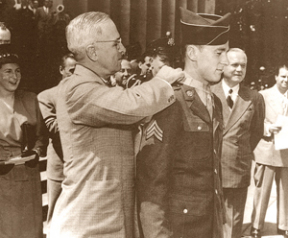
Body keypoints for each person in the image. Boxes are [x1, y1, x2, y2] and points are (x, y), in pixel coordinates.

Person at [50, 11, 184, 238]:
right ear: (92, 51)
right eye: (116, 43)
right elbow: (132, 106)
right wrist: (163, 81)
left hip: (109, 221)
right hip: (86, 225)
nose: (123, 50)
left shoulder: (98, 86)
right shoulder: (77, 89)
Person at [136, 7, 230, 238]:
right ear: (192, 53)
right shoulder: (171, 102)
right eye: (219, 53)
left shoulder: (214, 103)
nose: (225, 62)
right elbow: (152, 185)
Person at [211, 48, 265, 238]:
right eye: (235, 64)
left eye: (243, 65)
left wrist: (237, 151)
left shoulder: (255, 98)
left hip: (236, 167)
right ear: (223, 66)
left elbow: (256, 132)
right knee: (209, 218)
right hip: (209, 166)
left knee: (233, 221)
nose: (239, 69)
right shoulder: (209, 92)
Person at [0, 47, 48, 238]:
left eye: (17, 71)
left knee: (29, 230)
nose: (14, 77)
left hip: (28, 176)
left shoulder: (30, 99)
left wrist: (36, 151)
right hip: (3, 176)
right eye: (8, 71)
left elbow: (41, 136)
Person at [37, 53, 76, 238]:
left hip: (82, 164)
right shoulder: (46, 96)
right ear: (61, 70)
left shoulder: (86, 93)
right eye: (71, 71)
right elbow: (52, 127)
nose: (75, 76)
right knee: (55, 212)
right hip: (60, 165)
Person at [250, 64, 288, 238]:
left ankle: (283, 225)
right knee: (262, 189)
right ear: (276, 77)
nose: (286, 80)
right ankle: (257, 226)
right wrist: (268, 128)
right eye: (283, 76)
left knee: (285, 190)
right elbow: (254, 120)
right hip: (267, 148)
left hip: (286, 150)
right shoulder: (263, 96)